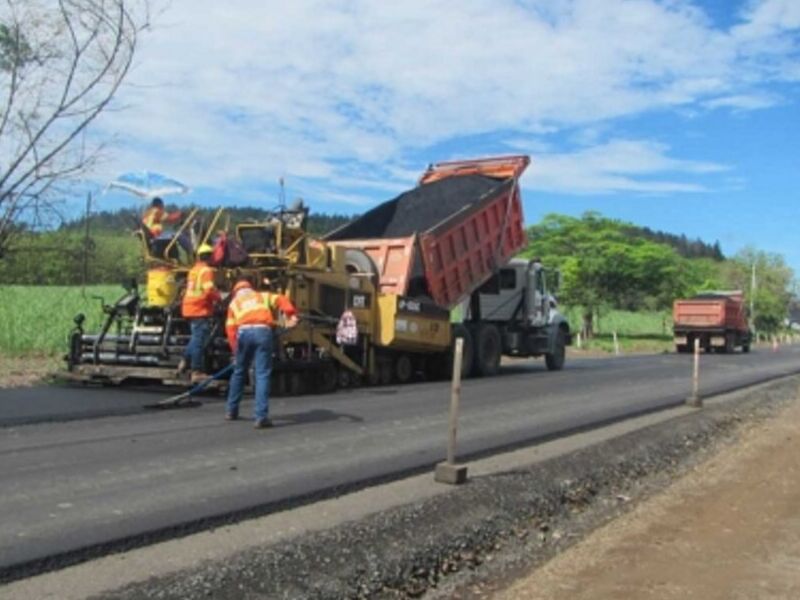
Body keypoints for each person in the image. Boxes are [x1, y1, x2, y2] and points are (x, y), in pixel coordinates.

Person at [224, 277, 298, 428]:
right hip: (263, 332)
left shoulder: (234, 303)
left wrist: (235, 351)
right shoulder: (261, 296)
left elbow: (230, 330)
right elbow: (281, 299)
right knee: (262, 374)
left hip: (244, 333)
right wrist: (291, 315)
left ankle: (231, 411)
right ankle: (261, 417)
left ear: (235, 292)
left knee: (239, 372)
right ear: (251, 288)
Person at [178, 244, 221, 382]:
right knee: (199, 340)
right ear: (210, 256)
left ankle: (185, 359)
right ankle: (196, 371)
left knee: (196, 337)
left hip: (189, 306)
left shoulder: (194, 270)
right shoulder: (206, 271)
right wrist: (219, 299)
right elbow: (208, 290)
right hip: (199, 308)